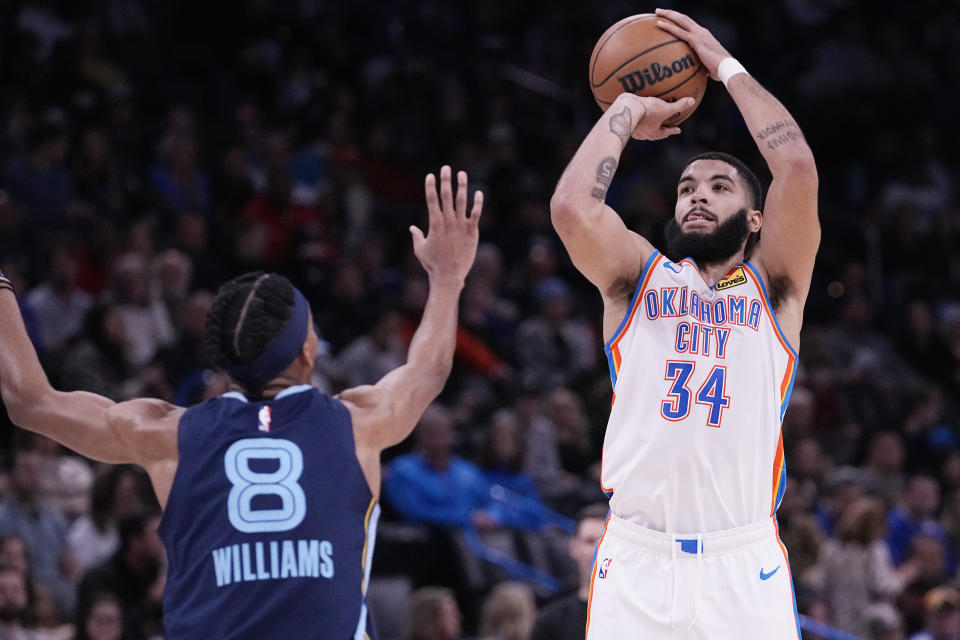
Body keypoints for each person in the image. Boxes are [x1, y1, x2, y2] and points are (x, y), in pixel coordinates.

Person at [0, 166, 483, 639]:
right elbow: (429, 370)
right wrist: (447, 277)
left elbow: (30, 401)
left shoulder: (170, 437)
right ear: (306, 351)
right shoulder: (357, 424)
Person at [550, 9, 819, 639]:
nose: (697, 194)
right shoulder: (639, 278)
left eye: (721, 186)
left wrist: (723, 66)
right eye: (686, 186)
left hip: (741, 561)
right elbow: (570, 207)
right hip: (637, 557)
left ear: (755, 219)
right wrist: (625, 111)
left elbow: (798, 168)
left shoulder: (773, 289)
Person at [530, 504, 607, 640]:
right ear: (573, 547)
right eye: (590, 541)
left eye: (604, 541)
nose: (597, 550)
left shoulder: (640, 616)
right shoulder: (550, 622)